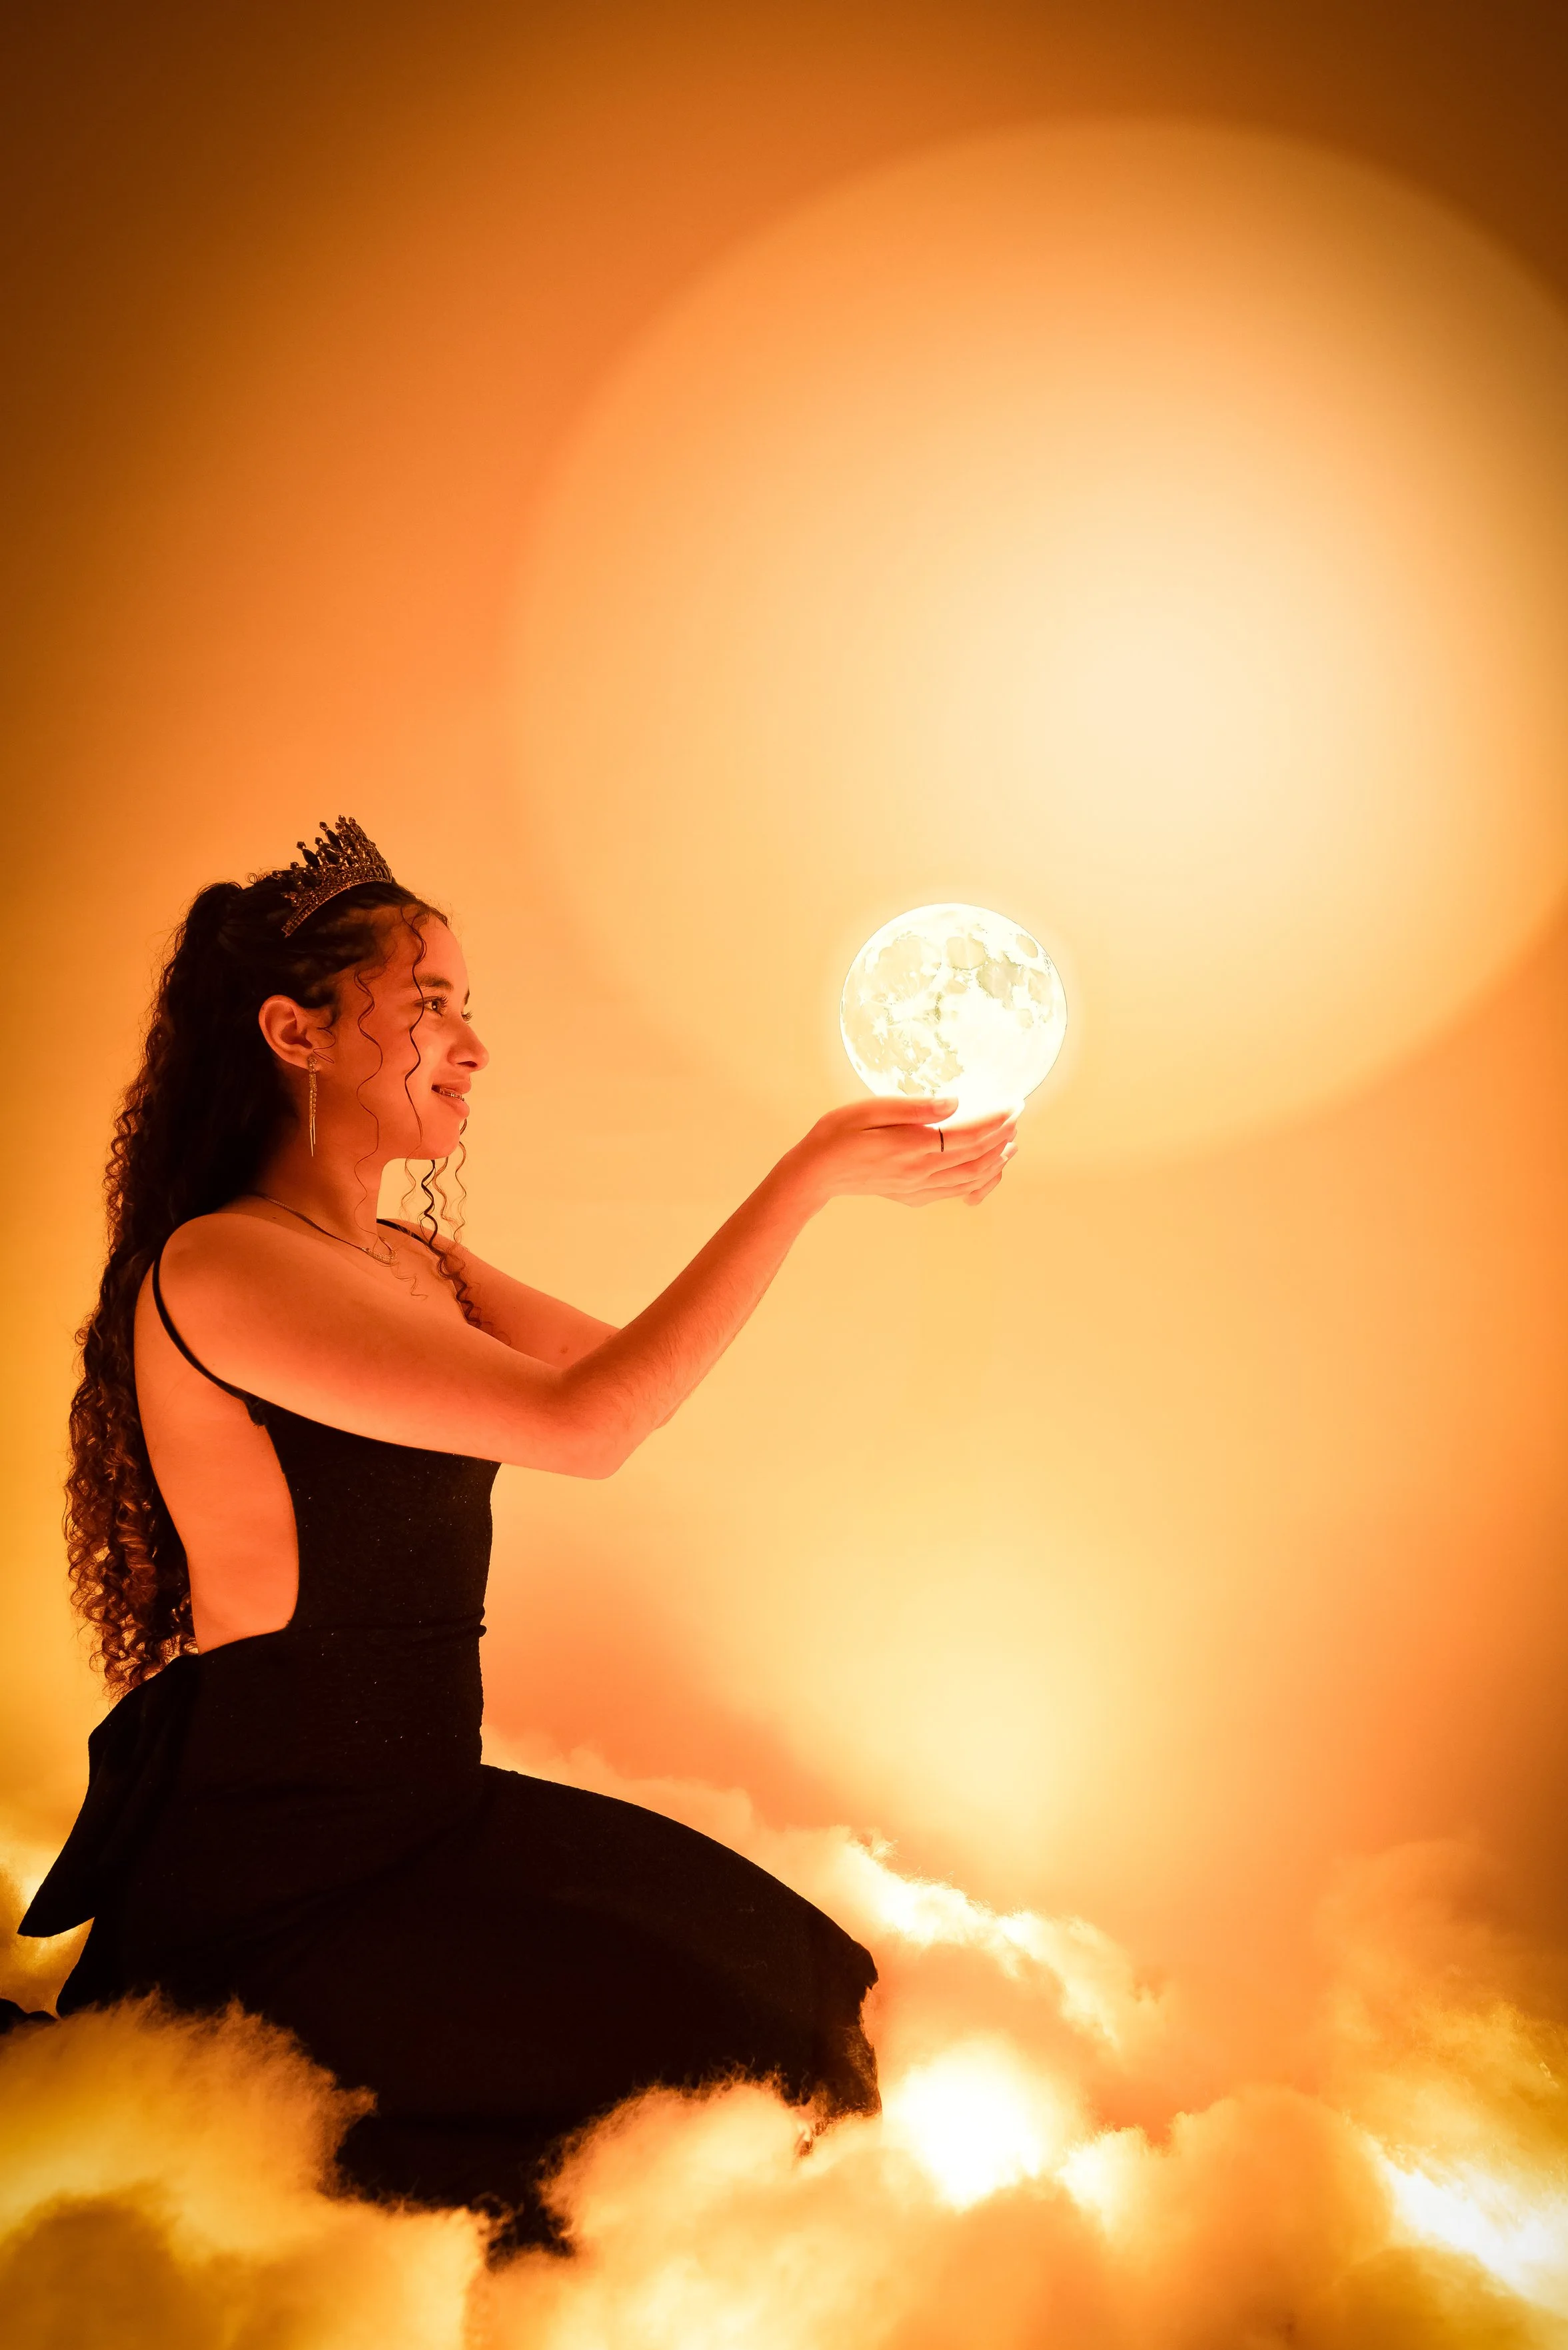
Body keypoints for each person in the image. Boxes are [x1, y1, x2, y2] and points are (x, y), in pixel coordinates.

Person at [17, 821, 1016, 2244]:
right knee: (714, 2094)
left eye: (468, 1005)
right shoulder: (223, 1262)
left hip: (432, 1816)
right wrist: (801, 1176)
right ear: (292, 1031)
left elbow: (625, 1377)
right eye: (429, 1005)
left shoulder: (408, 1259)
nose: (472, 1045)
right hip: (286, 1882)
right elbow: (591, 1425)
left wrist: (832, 1205)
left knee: (814, 1989)